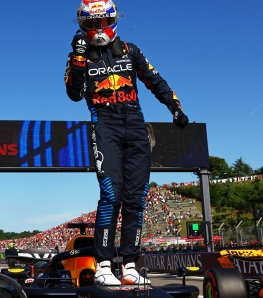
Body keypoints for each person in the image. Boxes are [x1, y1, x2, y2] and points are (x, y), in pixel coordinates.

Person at [65, 0, 188, 286]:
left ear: (113, 20)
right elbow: (74, 92)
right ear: (82, 25)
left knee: (136, 198)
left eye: (101, 23)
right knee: (111, 195)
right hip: (104, 124)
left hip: (135, 124)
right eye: (91, 24)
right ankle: (104, 264)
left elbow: (155, 80)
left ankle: (130, 264)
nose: (97, 30)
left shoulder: (131, 50)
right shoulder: (78, 55)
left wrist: (175, 107)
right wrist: (78, 58)